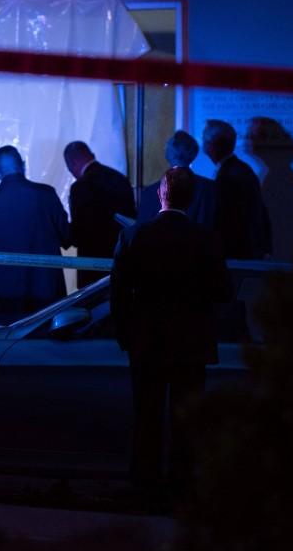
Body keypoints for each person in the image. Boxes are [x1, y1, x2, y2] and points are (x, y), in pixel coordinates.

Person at [110, 166, 233, 507]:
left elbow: (118, 292)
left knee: (146, 416)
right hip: (191, 342)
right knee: (185, 418)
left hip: (146, 341)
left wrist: (125, 335)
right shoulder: (206, 238)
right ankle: (180, 485)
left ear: (160, 194)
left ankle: (144, 484)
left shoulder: (134, 236)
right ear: (191, 198)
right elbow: (223, 291)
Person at [0, 145, 71, 324]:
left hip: (8, 297)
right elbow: (66, 236)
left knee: (11, 347)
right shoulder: (46, 194)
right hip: (48, 292)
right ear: (23, 164)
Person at [63, 141, 136, 288]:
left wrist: (64, 237)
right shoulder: (119, 178)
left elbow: (79, 230)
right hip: (122, 257)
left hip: (92, 263)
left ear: (72, 162)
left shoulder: (80, 187)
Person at [201, 119, 273, 260]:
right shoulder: (240, 169)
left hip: (236, 255)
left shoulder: (231, 176)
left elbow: (230, 221)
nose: (202, 142)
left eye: (204, 138)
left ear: (213, 145)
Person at [136, 130, 217, 227]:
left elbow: (142, 229)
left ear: (173, 154)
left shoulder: (152, 192)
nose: (165, 146)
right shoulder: (209, 187)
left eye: (168, 145)